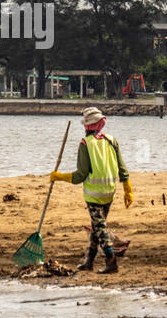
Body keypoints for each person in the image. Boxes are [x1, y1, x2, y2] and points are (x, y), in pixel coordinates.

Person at [49, 107, 133, 274]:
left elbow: (80, 175)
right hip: (109, 192)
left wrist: (59, 176)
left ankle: (111, 261)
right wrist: (127, 188)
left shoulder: (85, 144)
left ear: (87, 126)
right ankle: (89, 260)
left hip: (94, 195)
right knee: (97, 226)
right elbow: (122, 168)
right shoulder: (111, 140)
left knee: (100, 228)